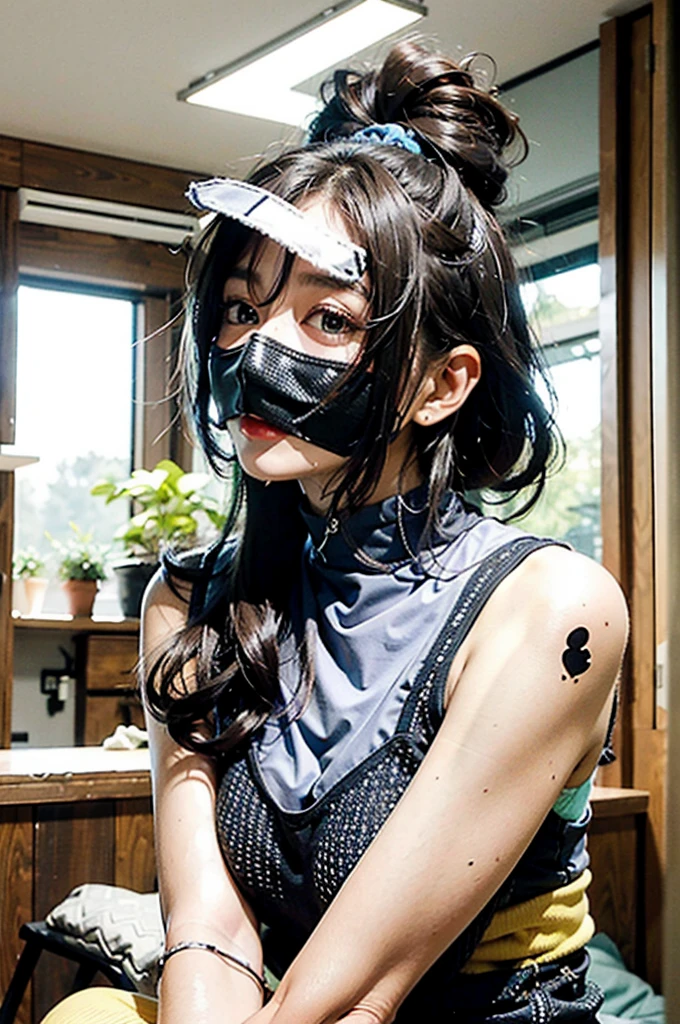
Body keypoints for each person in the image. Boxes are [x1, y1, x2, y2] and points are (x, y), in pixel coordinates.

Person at [41, 41, 628, 1024]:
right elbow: (210, 934)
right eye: (242, 306)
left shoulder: (553, 612)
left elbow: (352, 998)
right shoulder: (186, 602)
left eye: (328, 319)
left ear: (441, 383)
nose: (258, 344)